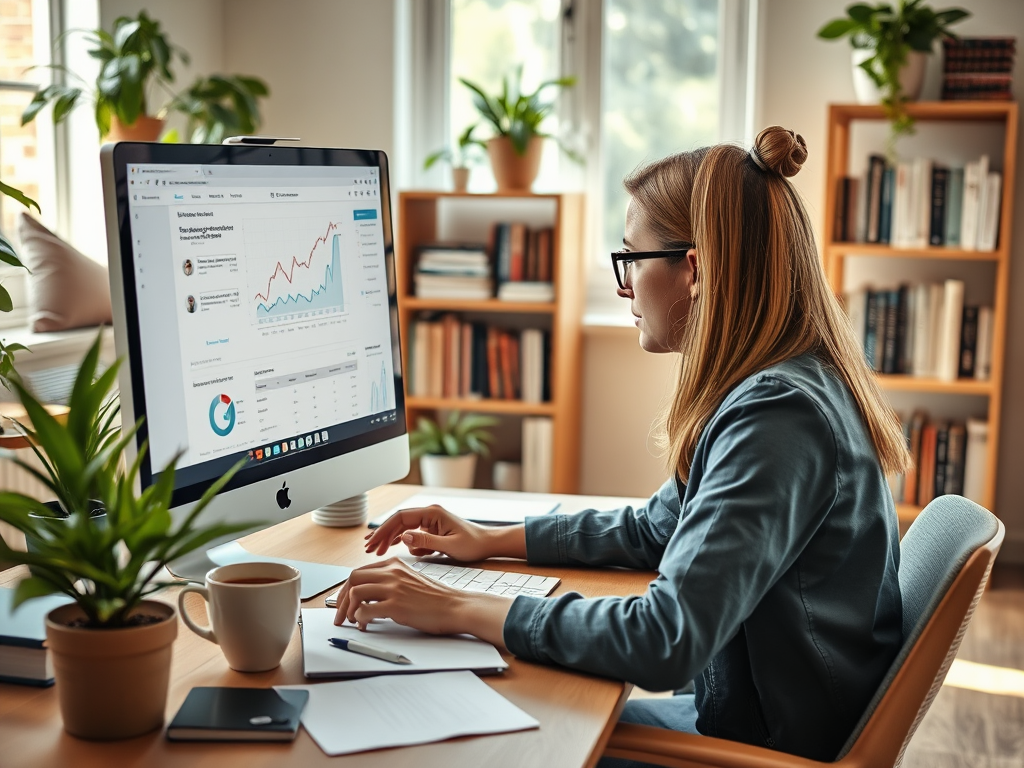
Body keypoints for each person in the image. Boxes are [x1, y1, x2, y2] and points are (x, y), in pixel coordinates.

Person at [334, 126, 910, 762]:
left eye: (631, 259)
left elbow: (665, 639)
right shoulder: (777, 383)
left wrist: (459, 609)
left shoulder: (777, 417)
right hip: (748, 716)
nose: (623, 286)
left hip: (763, 746)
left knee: (497, 741)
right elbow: (654, 528)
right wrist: (489, 539)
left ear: (693, 269)